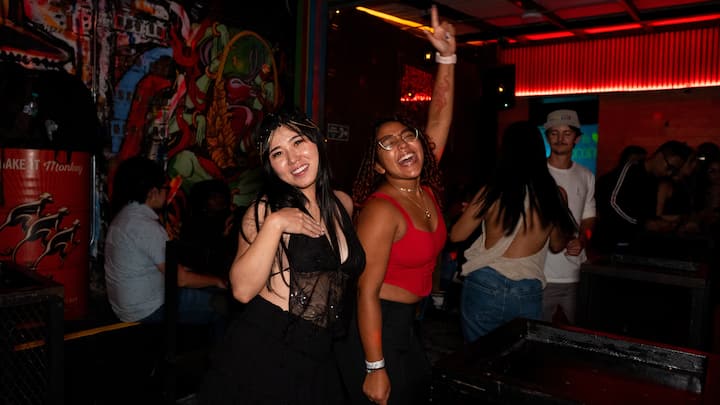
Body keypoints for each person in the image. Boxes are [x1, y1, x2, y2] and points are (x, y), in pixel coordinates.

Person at [198, 109, 366, 404]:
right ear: (270, 165)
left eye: (298, 142)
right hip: (268, 352)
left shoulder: (342, 204)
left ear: (317, 140)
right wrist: (275, 225)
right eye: (278, 153)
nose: (292, 159)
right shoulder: (264, 211)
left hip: (322, 355)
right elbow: (241, 290)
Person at [336, 6, 455, 405]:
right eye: (388, 143)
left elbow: (438, 119)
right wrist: (375, 367)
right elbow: (365, 292)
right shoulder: (382, 210)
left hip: (406, 323)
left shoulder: (425, 190)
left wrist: (447, 59)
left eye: (408, 136)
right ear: (377, 164)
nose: (403, 145)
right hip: (373, 328)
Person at [449, 121, 576, 342]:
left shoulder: (492, 191)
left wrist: (471, 214)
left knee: (478, 355)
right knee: (517, 357)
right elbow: (557, 245)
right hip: (527, 289)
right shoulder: (555, 194)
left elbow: (456, 235)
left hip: (484, 282)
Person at [104, 156, 228, 324]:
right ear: (152, 193)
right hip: (148, 309)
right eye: (165, 188)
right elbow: (181, 279)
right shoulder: (146, 226)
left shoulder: (124, 217)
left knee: (208, 288)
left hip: (126, 307)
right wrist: (217, 280)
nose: (168, 192)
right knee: (223, 305)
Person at [541, 110, 596, 325]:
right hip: (540, 273)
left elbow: (589, 218)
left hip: (575, 273)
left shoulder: (586, 175)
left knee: (578, 334)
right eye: (554, 133)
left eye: (567, 133)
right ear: (547, 137)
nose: (560, 139)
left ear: (577, 139)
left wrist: (583, 239)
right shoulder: (537, 173)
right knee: (538, 334)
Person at [594, 140, 693, 253]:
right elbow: (612, 202)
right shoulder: (631, 169)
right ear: (660, 156)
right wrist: (644, 223)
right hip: (611, 243)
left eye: (674, 171)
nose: (669, 173)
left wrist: (661, 223)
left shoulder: (655, 179)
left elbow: (645, 213)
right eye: (670, 167)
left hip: (635, 243)